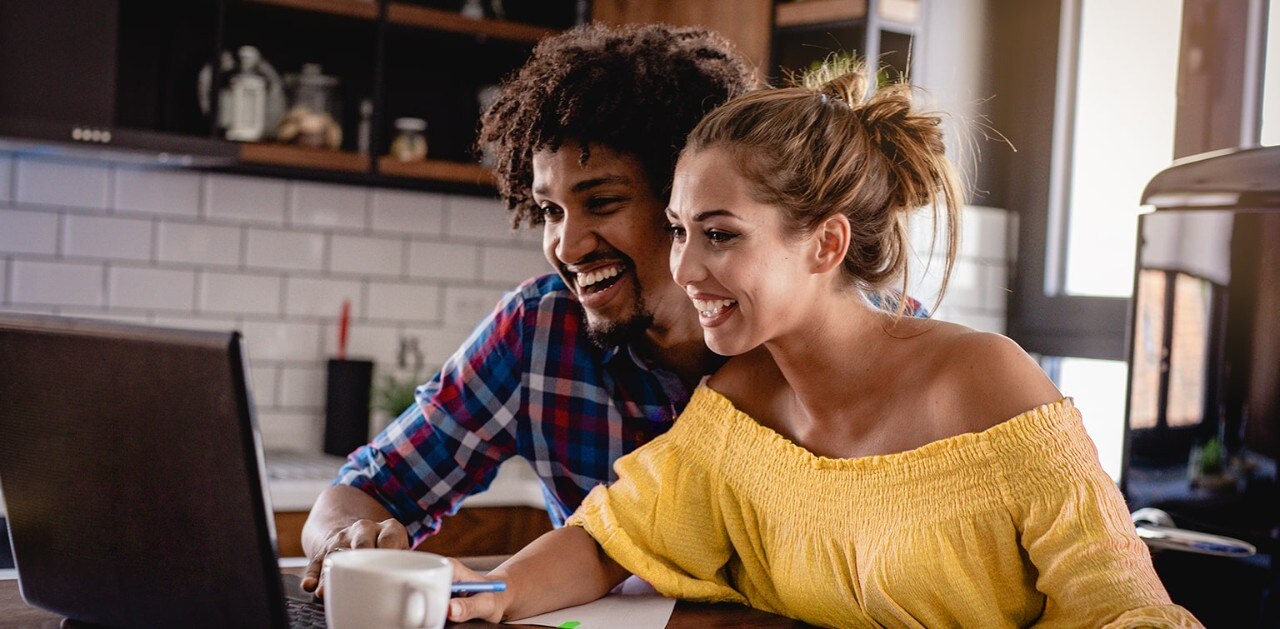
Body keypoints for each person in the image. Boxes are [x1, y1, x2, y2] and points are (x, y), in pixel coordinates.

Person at [443, 60, 1202, 627]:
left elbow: (1121, 605)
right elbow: (608, 541)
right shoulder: (734, 410)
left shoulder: (983, 381)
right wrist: (488, 591)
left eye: (720, 234)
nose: (685, 266)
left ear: (826, 243)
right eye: (678, 230)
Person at [298, 23, 761, 593]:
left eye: (602, 202)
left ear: (686, 200)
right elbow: (367, 487)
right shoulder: (538, 331)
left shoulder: (793, 331)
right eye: (550, 211)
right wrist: (345, 540)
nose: (566, 247)